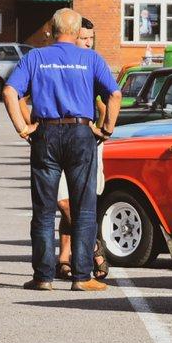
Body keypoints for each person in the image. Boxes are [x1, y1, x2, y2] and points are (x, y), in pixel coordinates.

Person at [3, 8, 119, 292]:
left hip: (46, 131)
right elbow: (114, 95)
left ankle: (43, 277)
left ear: (51, 30)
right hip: (81, 132)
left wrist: (22, 127)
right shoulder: (90, 58)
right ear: (78, 30)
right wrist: (106, 129)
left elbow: (9, 91)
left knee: (43, 210)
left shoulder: (36, 57)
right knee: (84, 208)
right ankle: (82, 276)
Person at [57, 18, 108, 281]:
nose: (88, 43)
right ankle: (93, 249)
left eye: (91, 38)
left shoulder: (91, 63)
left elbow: (105, 103)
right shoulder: (64, 62)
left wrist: (101, 130)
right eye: (84, 38)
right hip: (62, 137)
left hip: (86, 140)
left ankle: (68, 257)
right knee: (65, 202)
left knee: (74, 202)